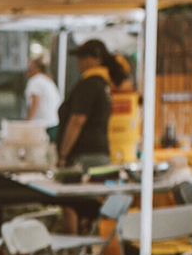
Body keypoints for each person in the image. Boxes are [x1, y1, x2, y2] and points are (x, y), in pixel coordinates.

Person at [57, 39, 125, 169]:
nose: (79, 62)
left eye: (82, 57)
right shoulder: (103, 84)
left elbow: (77, 121)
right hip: (99, 155)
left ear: (96, 58)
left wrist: (63, 155)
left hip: (85, 157)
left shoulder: (89, 84)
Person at [24, 43, 61, 142]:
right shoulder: (46, 80)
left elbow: (35, 102)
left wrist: (27, 123)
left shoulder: (35, 81)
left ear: (36, 68)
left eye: (29, 67)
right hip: (53, 123)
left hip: (41, 125)